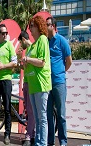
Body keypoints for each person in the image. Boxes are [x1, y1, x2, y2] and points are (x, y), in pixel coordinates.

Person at [22, 16, 52, 146]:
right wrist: (23, 61)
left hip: (41, 84)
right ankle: (38, 142)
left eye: (32, 26)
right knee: (37, 118)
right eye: (30, 27)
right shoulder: (33, 44)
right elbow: (29, 64)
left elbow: (41, 62)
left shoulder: (43, 40)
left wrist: (27, 60)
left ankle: (42, 143)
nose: (30, 29)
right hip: (33, 85)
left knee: (42, 117)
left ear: (39, 27)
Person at [46, 17, 72, 146]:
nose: (46, 27)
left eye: (48, 25)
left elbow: (69, 61)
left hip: (59, 82)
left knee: (61, 114)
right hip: (47, 83)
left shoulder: (62, 41)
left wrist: (60, 72)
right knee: (49, 115)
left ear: (54, 26)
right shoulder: (45, 42)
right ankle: (50, 141)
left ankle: (63, 141)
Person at [18, 31, 35, 146]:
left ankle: (30, 136)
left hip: (33, 83)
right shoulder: (28, 50)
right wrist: (21, 61)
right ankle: (31, 134)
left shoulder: (34, 48)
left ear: (24, 39)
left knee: (31, 110)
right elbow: (26, 66)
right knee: (29, 110)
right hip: (27, 82)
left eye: (20, 42)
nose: (20, 45)